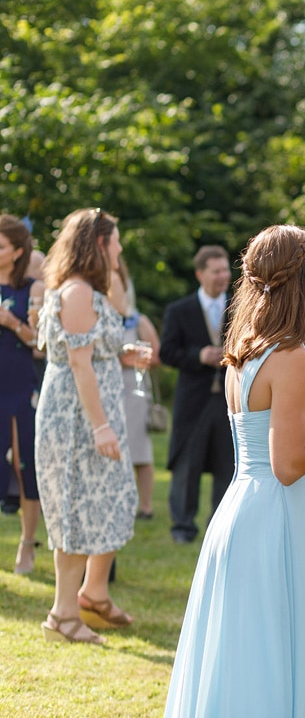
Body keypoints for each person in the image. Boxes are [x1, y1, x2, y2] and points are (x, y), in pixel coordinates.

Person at [165, 225, 305, 716]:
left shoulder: (248, 346)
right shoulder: (292, 356)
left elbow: (277, 440)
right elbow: (288, 465)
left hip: (242, 505)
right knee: (271, 647)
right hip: (276, 516)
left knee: (245, 651)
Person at [35, 208, 138, 644]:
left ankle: (82, 600)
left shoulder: (88, 292)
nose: (118, 249)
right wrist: (100, 427)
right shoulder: (76, 292)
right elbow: (78, 363)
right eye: (114, 241)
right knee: (76, 509)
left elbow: (92, 352)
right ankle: (65, 615)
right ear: (98, 243)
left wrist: (125, 352)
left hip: (91, 414)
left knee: (101, 503)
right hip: (77, 419)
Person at [160, 245, 233, 544]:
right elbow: (167, 352)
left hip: (230, 399)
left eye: (226, 270)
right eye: (216, 271)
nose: (223, 277)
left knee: (227, 462)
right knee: (187, 462)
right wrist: (198, 355)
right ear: (200, 274)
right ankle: (183, 528)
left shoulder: (239, 307)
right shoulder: (179, 310)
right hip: (194, 399)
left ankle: (221, 526)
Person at [1, 214, 45, 575]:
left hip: (19, 383)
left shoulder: (32, 289)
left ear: (16, 251)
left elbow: (38, 341)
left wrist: (11, 322)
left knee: (25, 463)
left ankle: (27, 543)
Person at [115, 260, 161, 519]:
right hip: (111, 387)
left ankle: (146, 506)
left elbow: (156, 354)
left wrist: (133, 357)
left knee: (140, 450)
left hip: (134, 389)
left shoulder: (138, 321)